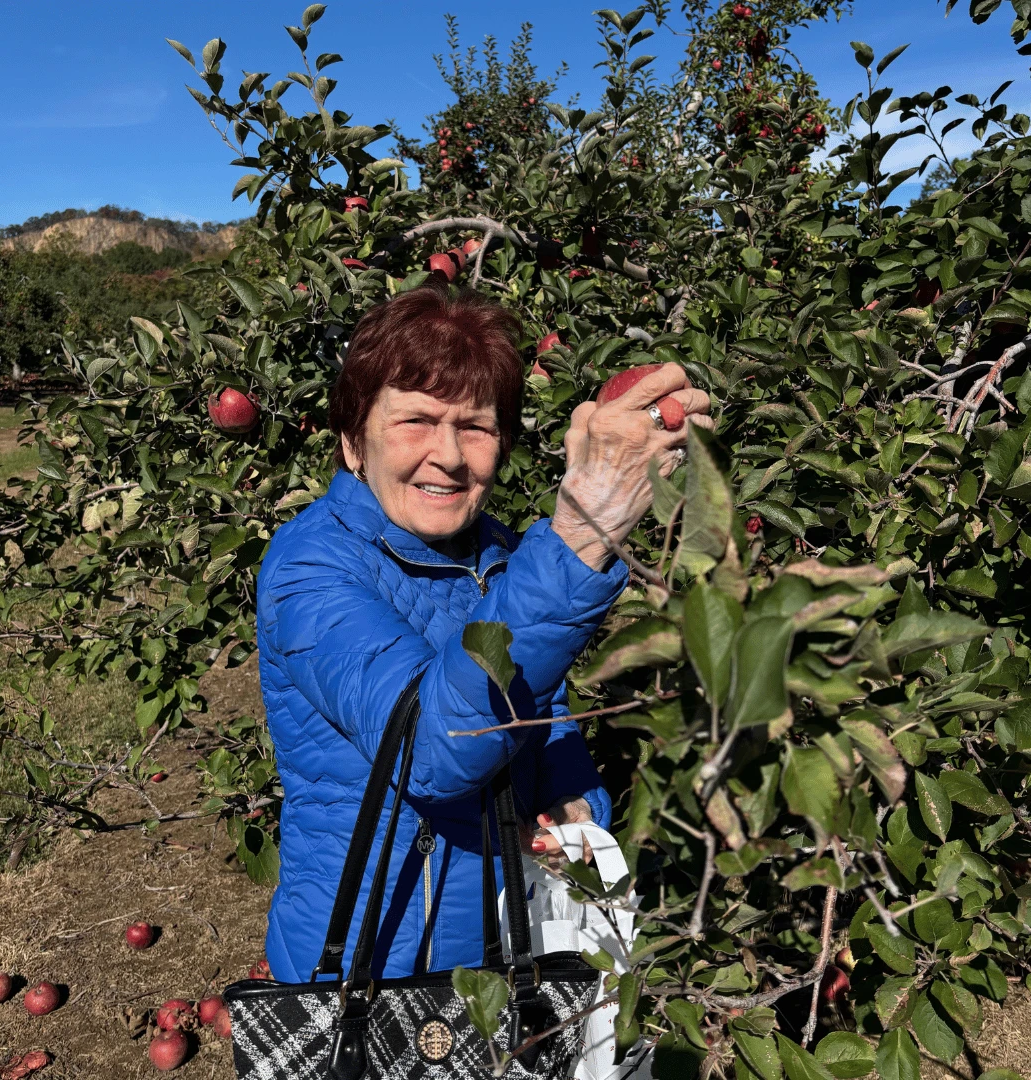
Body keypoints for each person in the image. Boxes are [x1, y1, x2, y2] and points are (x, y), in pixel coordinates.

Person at [256, 285, 712, 983]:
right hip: (376, 967)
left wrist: (574, 801)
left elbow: (542, 712)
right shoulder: (308, 569)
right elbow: (434, 750)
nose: (449, 455)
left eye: (476, 426)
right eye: (414, 421)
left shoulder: (497, 554)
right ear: (353, 442)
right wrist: (585, 524)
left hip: (508, 951)